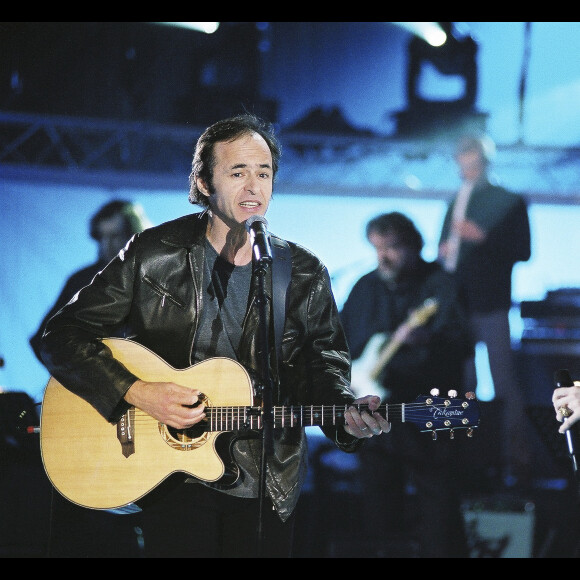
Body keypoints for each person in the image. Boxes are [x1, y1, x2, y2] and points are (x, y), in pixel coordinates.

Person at [39, 113, 390, 558]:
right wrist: (136, 392)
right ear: (204, 183)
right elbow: (62, 336)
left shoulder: (301, 271)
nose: (253, 187)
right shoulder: (154, 253)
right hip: (172, 477)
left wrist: (345, 415)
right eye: (237, 172)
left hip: (266, 480)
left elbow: (322, 367)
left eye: (264, 173)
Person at [340, 212, 472, 558]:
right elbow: (339, 345)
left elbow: (462, 345)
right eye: (378, 248)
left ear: (414, 246)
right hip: (377, 417)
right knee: (379, 514)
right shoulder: (365, 287)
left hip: (433, 415)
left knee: (440, 516)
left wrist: (426, 340)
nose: (384, 256)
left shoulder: (442, 285)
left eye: (393, 248)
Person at [438, 134, 533, 487]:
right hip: (458, 307)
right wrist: (446, 248)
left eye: (472, 160)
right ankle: (465, 456)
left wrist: (484, 238)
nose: (467, 167)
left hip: (491, 303)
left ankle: (516, 460)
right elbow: (443, 251)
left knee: (504, 380)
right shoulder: (455, 200)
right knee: (462, 383)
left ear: (484, 160)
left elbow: (523, 251)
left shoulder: (508, 201)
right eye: (462, 160)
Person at [30, 199, 152, 362]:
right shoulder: (81, 281)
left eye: (115, 236)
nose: (107, 245)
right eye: (102, 237)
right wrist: (73, 377)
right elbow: (43, 340)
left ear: (134, 235)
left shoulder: (154, 277)